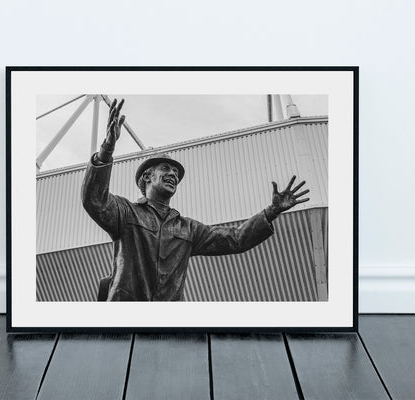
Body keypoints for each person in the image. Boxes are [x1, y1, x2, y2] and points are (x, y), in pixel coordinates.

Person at [81, 99, 310, 301]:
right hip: (124, 323)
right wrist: (106, 150)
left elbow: (236, 239)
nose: (173, 175)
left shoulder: (188, 229)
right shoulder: (126, 213)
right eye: (165, 168)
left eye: (176, 173)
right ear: (147, 177)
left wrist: (271, 211)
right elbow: (95, 200)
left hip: (169, 329)